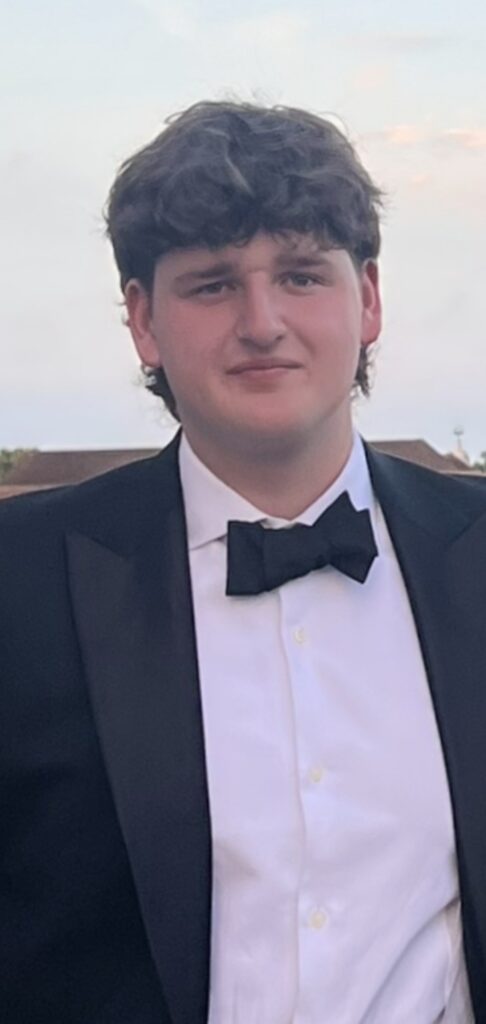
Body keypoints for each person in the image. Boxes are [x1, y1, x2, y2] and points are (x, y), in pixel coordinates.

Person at [0, 100, 484, 1024]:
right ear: (143, 320)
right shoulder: (18, 582)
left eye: (301, 275)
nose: (263, 322)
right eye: (213, 285)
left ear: (368, 299)